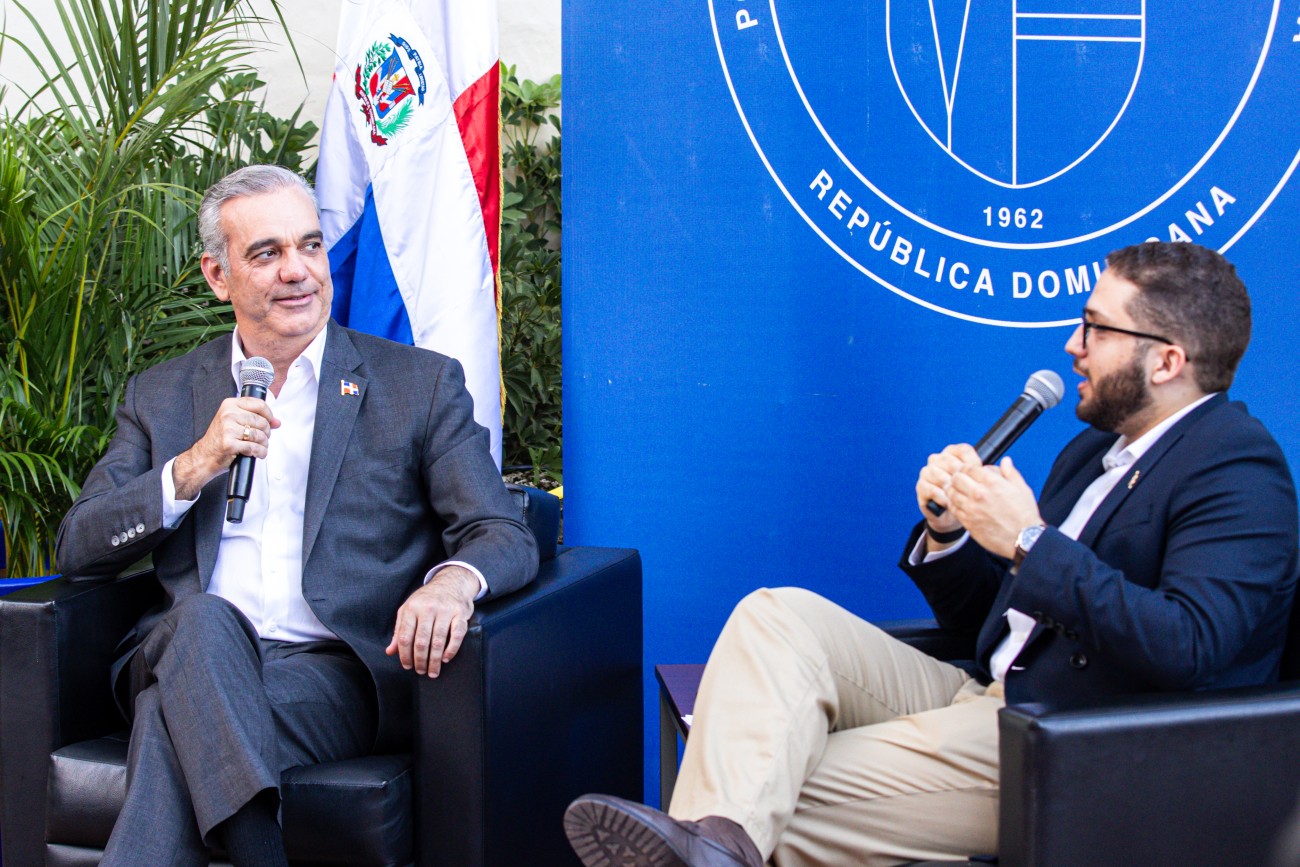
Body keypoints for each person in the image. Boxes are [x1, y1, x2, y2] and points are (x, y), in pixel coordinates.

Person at [563, 241, 1299, 867]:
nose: (1072, 346)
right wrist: (953, 536)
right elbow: (1004, 623)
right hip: (985, 691)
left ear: (1166, 360)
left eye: (1095, 327)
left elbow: (1188, 645)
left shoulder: (1237, 468)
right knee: (774, 616)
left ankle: (718, 842)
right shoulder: (1091, 453)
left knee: (768, 791)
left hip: (1075, 746)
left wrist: (1028, 541)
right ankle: (718, 848)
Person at [55, 165, 539, 866]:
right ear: (217, 275)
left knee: (175, 711)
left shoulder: (418, 385)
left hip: (329, 675)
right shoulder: (162, 394)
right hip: (181, 648)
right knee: (202, 622)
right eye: (266, 252)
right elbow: (79, 544)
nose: (297, 270)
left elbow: (501, 530)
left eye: (310, 245)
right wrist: (193, 465)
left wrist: (452, 583)